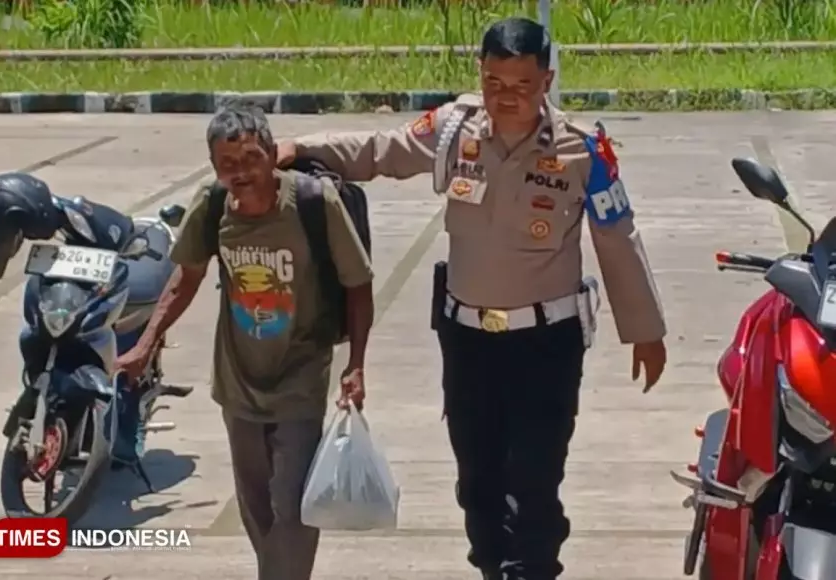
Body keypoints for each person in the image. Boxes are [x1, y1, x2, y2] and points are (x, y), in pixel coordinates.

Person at [274, 16, 668, 580]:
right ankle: (493, 568)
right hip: (468, 341)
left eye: (523, 87)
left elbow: (617, 235)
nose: (507, 98)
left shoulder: (584, 151)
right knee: (477, 479)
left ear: (547, 80)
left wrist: (644, 329)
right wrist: (300, 146)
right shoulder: (455, 129)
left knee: (534, 479)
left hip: (547, 344)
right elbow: (381, 150)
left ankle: (529, 570)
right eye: (494, 83)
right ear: (480, 76)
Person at [115, 105, 375, 580]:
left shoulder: (314, 203)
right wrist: (147, 343)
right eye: (227, 163)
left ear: (274, 156)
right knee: (256, 508)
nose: (241, 173)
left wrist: (355, 363)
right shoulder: (212, 205)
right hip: (237, 383)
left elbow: (358, 284)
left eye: (252, 158)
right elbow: (186, 277)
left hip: (300, 377)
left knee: (294, 508)